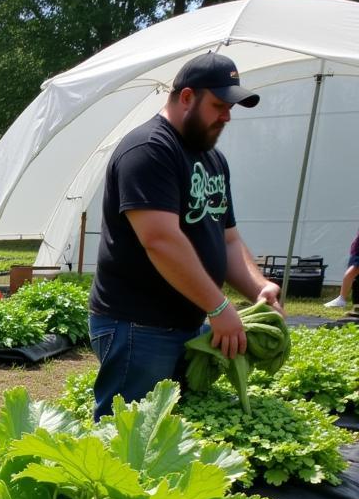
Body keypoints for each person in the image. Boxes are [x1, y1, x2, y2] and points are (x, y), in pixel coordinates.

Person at [88, 53, 283, 420]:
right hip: (137, 327)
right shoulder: (149, 150)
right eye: (219, 105)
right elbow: (159, 239)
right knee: (127, 440)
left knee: (165, 437)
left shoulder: (213, 161)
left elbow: (227, 240)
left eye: (230, 108)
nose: (226, 116)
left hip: (185, 326)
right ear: (187, 97)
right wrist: (220, 307)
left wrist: (258, 288)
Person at [324, 226, 358, 308]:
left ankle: (343, 299)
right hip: (357, 251)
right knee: (353, 271)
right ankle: (342, 299)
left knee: (353, 273)